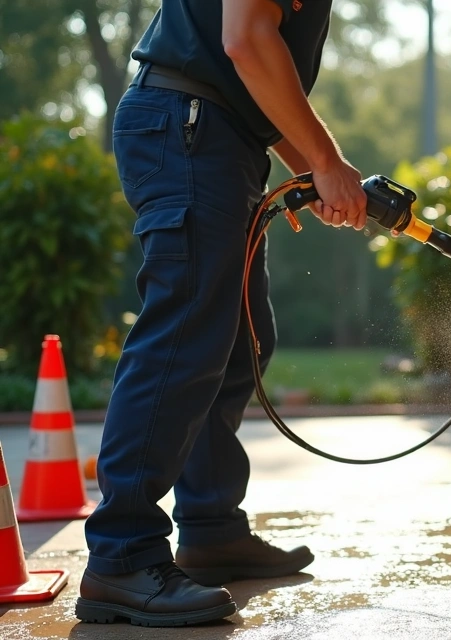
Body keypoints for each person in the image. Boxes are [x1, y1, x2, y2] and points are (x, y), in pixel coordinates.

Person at [76, 0, 366, 627]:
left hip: (219, 135)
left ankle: (209, 529)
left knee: (239, 341)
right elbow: (246, 38)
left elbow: (260, 73)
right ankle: (122, 556)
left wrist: (313, 170)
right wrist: (325, 161)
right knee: (185, 337)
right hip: (186, 127)